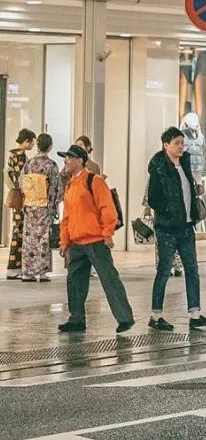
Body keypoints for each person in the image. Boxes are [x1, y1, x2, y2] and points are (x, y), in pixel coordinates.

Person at [57, 143, 134, 334]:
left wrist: (107, 233)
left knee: (109, 279)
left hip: (96, 241)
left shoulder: (94, 181)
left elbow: (107, 209)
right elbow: (66, 218)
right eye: (65, 158)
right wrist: (64, 242)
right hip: (76, 243)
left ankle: (125, 318)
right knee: (74, 282)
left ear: (80, 160)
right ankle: (76, 319)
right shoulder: (70, 186)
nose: (65, 161)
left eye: (69, 157)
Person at [146, 127, 206, 331]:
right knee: (164, 271)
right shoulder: (159, 167)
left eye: (182, 143)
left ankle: (195, 314)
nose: (180, 147)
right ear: (165, 145)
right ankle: (156, 315)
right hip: (167, 228)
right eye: (176, 143)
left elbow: (184, 191)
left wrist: (195, 193)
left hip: (186, 227)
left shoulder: (184, 164)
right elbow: (153, 198)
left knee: (192, 270)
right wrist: (168, 213)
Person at [19, 132, 61, 281]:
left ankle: (27, 271)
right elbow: (55, 188)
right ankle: (41, 272)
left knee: (29, 238)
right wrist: (53, 206)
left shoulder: (29, 164)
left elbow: (21, 184)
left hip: (30, 205)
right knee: (42, 237)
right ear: (50, 147)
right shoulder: (51, 165)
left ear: (37, 146)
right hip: (44, 206)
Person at [5, 128, 36, 279]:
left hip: (15, 197)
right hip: (22, 199)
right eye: (31, 142)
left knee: (17, 230)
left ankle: (14, 266)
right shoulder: (21, 157)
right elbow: (23, 179)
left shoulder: (12, 155)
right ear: (26, 141)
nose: (32, 145)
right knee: (20, 231)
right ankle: (15, 266)